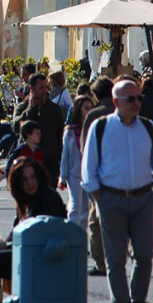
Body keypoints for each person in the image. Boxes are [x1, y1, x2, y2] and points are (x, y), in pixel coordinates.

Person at [82, 79, 153, 303]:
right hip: (110, 199)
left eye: (139, 98)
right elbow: (89, 169)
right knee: (115, 260)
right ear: (116, 101)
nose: (136, 103)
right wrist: (100, 200)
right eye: (131, 99)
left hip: (143, 199)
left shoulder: (148, 127)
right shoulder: (101, 127)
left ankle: (137, 299)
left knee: (144, 255)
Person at [0, 158, 67, 303]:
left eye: (32, 177)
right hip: (28, 250)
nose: (30, 183)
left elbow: (39, 234)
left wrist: (8, 246)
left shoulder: (48, 198)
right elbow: (18, 229)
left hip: (42, 255)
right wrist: (5, 242)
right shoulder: (25, 199)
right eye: (25, 180)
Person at [81, 75, 114, 277]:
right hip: (120, 173)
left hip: (99, 175)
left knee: (95, 221)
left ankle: (101, 262)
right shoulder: (123, 112)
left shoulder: (94, 115)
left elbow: (85, 148)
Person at [11, 72, 64, 187]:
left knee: (49, 198)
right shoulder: (22, 108)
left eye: (46, 87)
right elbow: (16, 126)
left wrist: (61, 161)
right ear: (31, 88)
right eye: (41, 87)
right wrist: (31, 109)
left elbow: (60, 135)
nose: (45, 90)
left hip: (50, 161)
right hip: (29, 161)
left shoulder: (54, 109)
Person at [59, 95, 93, 229]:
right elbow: (65, 155)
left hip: (89, 174)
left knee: (86, 210)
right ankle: (72, 236)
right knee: (74, 206)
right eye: (86, 108)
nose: (89, 111)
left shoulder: (93, 129)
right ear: (79, 110)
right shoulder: (70, 132)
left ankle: (82, 243)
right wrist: (63, 176)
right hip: (74, 174)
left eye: (91, 108)